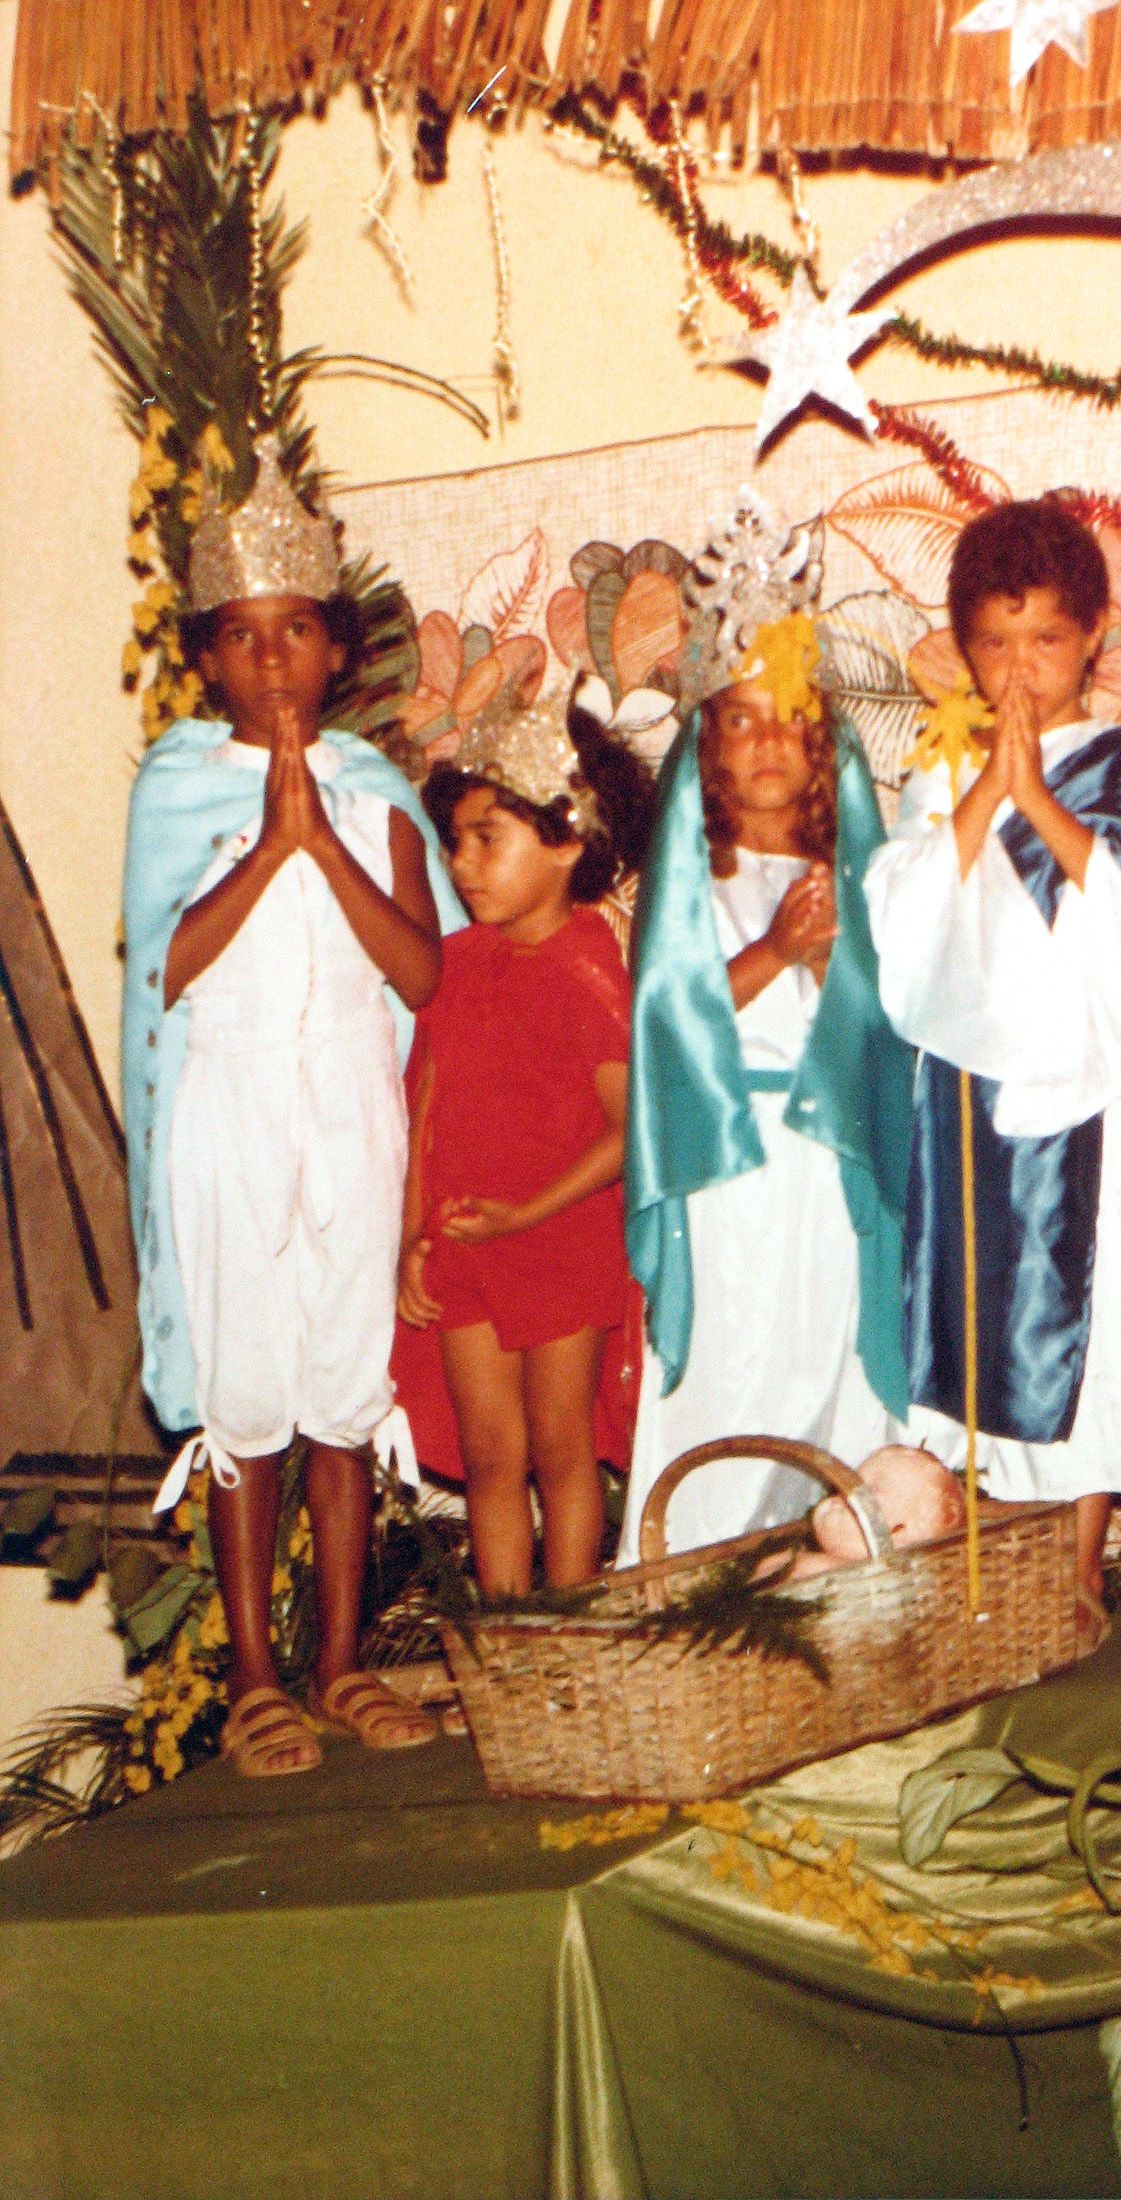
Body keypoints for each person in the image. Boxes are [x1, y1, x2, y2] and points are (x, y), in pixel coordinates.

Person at [122, 437, 463, 1774]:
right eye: (246, 640)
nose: (273, 665)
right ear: (209, 657)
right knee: (246, 1391)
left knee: (338, 1383)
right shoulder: (178, 784)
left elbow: (425, 971)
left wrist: (324, 834)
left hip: (348, 1109)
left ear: (337, 652)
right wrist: (269, 845)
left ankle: (337, 1660)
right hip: (233, 1109)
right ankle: (254, 1672)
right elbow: (169, 963)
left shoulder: (376, 793)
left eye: (299, 634)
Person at [866, 498, 1121, 1606]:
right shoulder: (937, 773)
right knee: (967, 1312)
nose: (1020, 668)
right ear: (961, 646)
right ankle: (987, 1568)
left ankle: (1074, 1571)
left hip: (1077, 1096)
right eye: (994, 643)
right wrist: (980, 796)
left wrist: (1034, 799)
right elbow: (904, 927)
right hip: (959, 1092)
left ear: (1093, 636)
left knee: (1075, 1322)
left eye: (1046, 640)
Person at [619, 491, 913, 1560]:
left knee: (825, 1355)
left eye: (792, 716)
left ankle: (826, 1561)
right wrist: (776, 951)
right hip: (730, 1163)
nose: (770, 743)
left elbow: (884, 1017)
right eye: (741, 720)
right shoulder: (700, 874)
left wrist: (837, 953)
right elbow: (667, 1011)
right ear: (708, 746)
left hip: (824, 1155)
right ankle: (694, 1567)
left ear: (823, 738)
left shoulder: (853, 871)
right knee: (736, 1366)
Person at [395, 690, 654, 1594]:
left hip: (560, 1242)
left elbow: (630, 1129)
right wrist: (410, 1241)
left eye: (487, 839)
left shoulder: (590, 967)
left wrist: (526, 1215)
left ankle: (569, 1624)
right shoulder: (458, 966)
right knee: (489, 1454)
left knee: (559, 1449)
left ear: (566, 839)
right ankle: (507, 1634)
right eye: (456, 841)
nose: (462, 864)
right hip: (467, 1243)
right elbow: (422, 1109)